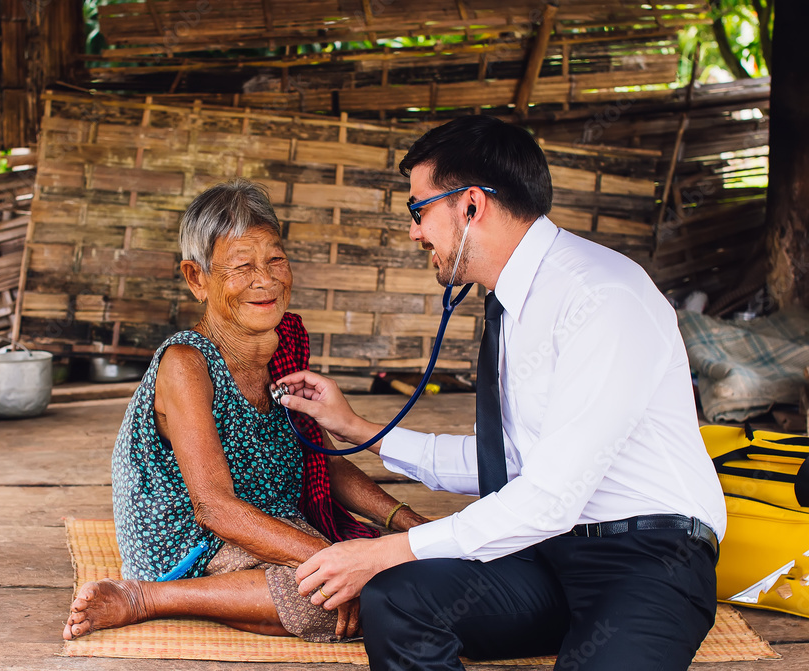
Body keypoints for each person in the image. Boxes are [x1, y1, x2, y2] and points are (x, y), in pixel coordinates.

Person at [276, 115, 727, 670]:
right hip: (550, 553)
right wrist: (362, 431)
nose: (415, 232)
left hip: (649, 558)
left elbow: (548, 498)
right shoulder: (511, 304)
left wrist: (385, 549)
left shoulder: (601, 296)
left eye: (419, 211)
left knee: (389, 569)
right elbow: (510, 460)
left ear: (470, 205)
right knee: (397, 599)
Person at [63, 179, 428, 644]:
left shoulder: (284, 343)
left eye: (275, 260)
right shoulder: (185, 364)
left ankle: (276, 584)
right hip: (195, 542)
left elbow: (322, 461)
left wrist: (405, 522)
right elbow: (213, 508)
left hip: (266, 522)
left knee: (399, 579)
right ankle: (148, 597)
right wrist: (331, 558)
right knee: (334, 596)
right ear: (197, 279)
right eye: (241, 267)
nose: (266, 281)